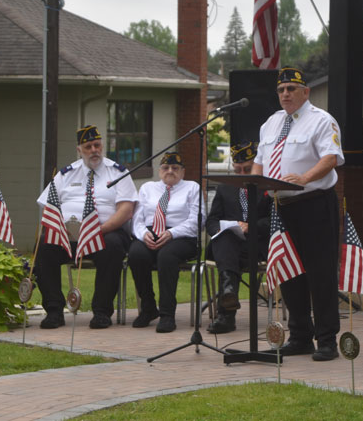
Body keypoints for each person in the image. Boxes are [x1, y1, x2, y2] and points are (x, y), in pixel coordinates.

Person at [251, 66, 345, 361]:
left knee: (321, 274)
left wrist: (304, 178)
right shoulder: (271, 123)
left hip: (314, 204)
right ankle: (300, 336)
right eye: (281, 90)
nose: (285, 94)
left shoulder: (321, 120)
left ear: (306, 92)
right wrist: (255, 182)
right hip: (282, 207)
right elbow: (259, 161)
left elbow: (331, 158)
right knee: (289, 273)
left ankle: (327, 339)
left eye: (292, 88)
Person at [35, 125, 137, 330]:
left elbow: (126, 209)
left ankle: (101, 312)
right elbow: (48, 206)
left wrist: (99, 230)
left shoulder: (118, 172)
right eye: (88, 146)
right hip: (69, 235)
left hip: (104, 233)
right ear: (79, 150)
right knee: (45, 244)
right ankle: (54, 310)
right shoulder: (66, 174)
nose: (94, 150)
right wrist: (62, 229)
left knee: (114, 246)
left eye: (97, 145)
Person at [128, 152, 203, 333]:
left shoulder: (192, 188)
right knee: (136, 254)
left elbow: (197, 221)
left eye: (175, 168)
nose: (170, 171)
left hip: (181, 236)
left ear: (183, 172)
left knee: (166, 256)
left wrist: (171, 233)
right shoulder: (147, 188)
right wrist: (143, 234)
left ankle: (167, 314)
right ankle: (148, 308)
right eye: (165, 168)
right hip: (151, 232)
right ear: (159, 171)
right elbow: (136, 219)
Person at [205, 142, 271, 334]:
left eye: (247, 169)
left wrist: (251, 226)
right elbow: (212, 220)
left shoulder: (267, 187)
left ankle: (226, 311)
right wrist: (222, 228)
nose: (242, 175)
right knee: (225, 239)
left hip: (255, 246)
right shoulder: (225, 189)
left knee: (226, 250)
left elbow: (274, 220)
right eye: (238, 170)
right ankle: (228, 295)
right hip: (228, 246)